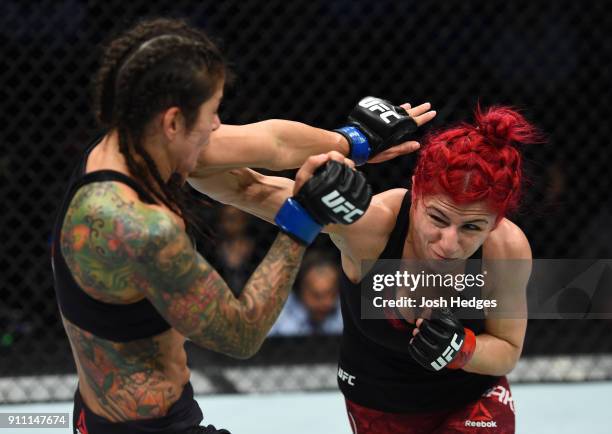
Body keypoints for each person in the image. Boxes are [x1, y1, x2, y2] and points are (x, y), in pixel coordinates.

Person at [52, 18, 434, 434]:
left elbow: (272, 144)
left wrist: (353, 142)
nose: (218, 125)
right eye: (213, 112)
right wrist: (302, 221)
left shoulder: (131, 146)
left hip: (115, 413)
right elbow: (240, 333)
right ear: (173, 121)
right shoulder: (138, 226)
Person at [190, 104, 539, 433]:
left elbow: (507, 349)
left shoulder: (506, 250)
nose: (449, 243)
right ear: (415, 190)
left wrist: (463, 350)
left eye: (472, 228)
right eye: (437, 218)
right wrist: (346, 141)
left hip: (472, 401)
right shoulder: (369, 228)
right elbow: (211, 170)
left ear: (496, 222)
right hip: (378, 402)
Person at [269, 252, 343, 336]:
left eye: (332, 294)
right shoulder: (278, 316)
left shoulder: (345, 309)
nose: (326, 303)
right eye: (317, 296)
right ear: (299, 292)